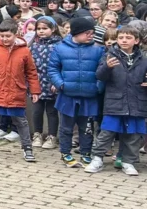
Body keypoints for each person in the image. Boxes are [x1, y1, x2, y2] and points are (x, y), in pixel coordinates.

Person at [0, 20, 41, 162]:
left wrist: (35, 91)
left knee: (20, 121)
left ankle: (27, 148)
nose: (4, 39)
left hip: (16, 91)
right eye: (2, 36)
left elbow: (31, 72)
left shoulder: (25, 51)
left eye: (8, 36)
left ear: (16, 34)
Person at [85, 27, 147, 176]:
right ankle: (97, 159)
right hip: (115, 103)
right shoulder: (109, 56)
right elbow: (99, 76)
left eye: (128, 38)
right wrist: (107, 67)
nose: (124, 40)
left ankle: (128, 161)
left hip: (136, 103)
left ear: (136, 41)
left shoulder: (144, 59)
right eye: (121, 38)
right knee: (107, 133)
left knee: (133, 135)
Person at [47, 15, 104, 168]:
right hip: (67, 96)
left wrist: (98, 87)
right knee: (66, 128)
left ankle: (86, 154)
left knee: (87, 129)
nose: (91, 36)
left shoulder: (98, 50)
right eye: (87, 33)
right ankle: (65, 153)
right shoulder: (60, 48)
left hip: (89, 96)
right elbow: (52, 69)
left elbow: (103, 71)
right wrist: (61, 84)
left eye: (92, 33)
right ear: (76, 33)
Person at [28, 17, 62, 150]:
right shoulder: (34, 46)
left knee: (52, 112)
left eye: (45, 28)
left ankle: (52, 136)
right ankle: (37, 134)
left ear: (53, 29)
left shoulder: (59, 46)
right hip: (37, 84)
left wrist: (57, 82)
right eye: (39, 29)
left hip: (52, 84)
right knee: (37, 111)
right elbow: (29, 66)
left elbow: (62, 65)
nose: (41, 31)